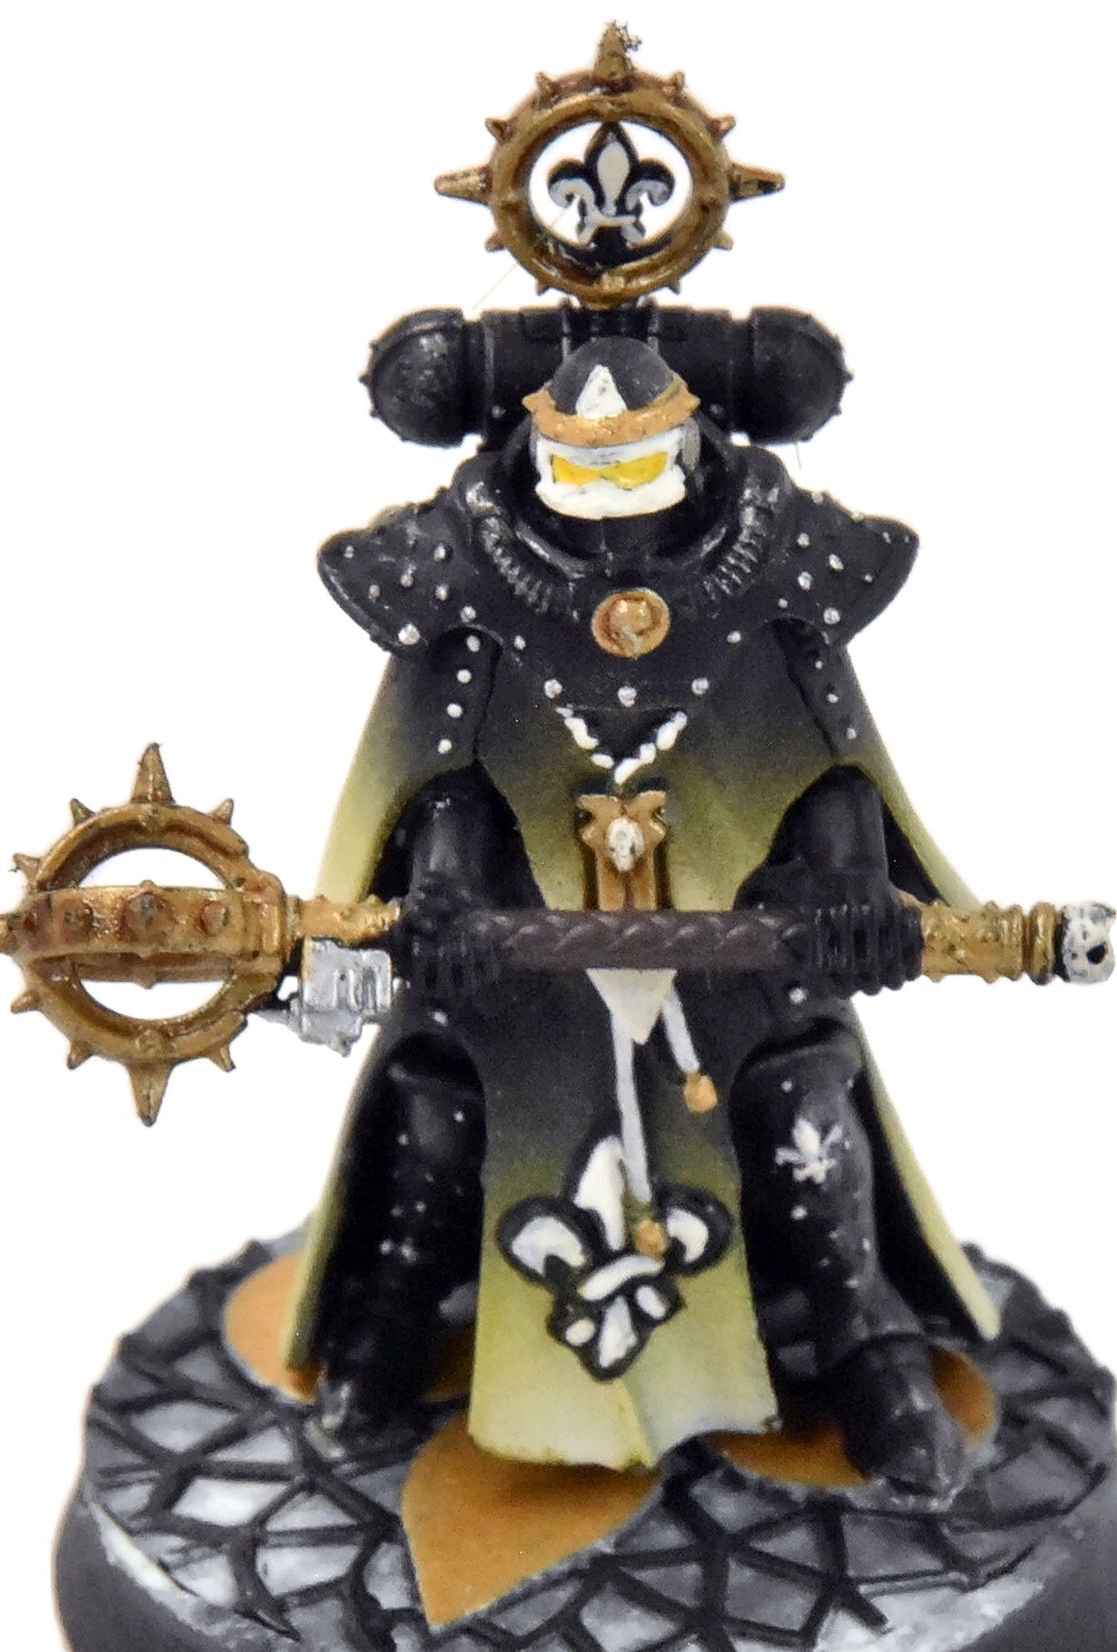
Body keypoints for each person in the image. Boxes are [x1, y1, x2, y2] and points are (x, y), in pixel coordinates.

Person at [283, 336, 1000, 1497]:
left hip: (733, 966)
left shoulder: (771, 577)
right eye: (585, 478)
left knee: (803, 1105)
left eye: (635, 476)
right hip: (522, 972)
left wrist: (845, 883)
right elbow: (440, 778)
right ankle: (393, 1313)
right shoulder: (467, 583)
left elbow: (825, 764)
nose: (613, 531)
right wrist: (445, 898)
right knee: (436, 1104)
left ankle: (862, 1335)